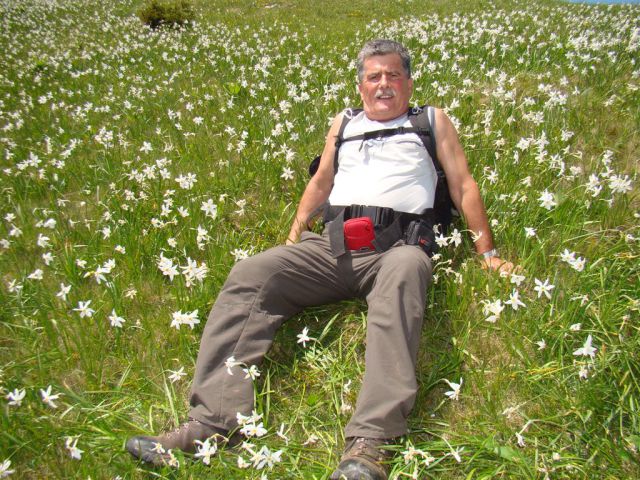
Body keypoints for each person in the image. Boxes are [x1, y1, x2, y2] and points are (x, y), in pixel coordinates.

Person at [126, 39, 513, 479]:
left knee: (405, 273)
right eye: (374, 76)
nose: (383, 84)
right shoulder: (345, 122)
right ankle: (213, 424)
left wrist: (489, 255)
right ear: (360, 85)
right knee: (252, 273)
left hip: (399, 249)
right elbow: (322, 181)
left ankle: (370, 444)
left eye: (393, 75)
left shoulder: (429, 120)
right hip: (331, 246)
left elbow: (463, 184)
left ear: (408, 81)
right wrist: (293, 237)